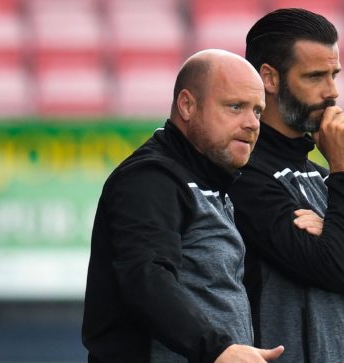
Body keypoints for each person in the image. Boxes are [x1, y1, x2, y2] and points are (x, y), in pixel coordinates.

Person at [82, 49, 285, 362]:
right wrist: (217, 349)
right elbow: (145, 276)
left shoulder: (213, 181)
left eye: (257, 111)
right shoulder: (151, 177)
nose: (252, 123)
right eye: (235, 107)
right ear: (187, 105)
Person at [228, 8, 344, 362]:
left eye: (334, 74)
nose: (332, 92)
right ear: (269, 79)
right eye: (316, 76)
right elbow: (337, 270)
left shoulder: (320, 177)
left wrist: (335, 243)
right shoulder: (244, 175)